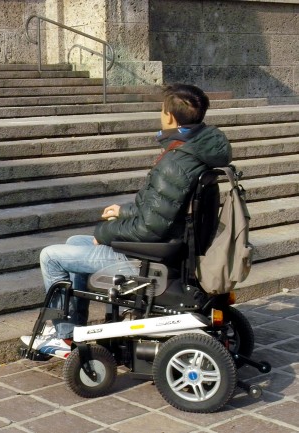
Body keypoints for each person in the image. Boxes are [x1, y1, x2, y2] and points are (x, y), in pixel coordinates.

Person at [22, 83, 233, 355]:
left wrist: (105, 233)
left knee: (50, 256)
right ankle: (73, 328)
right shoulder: (196, 150)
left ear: (169, 116)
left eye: (162, 110)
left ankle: (64, 336)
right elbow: (164, 208)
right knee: (74, 241)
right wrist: (122, 212)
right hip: (168, 246)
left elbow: (150, 228)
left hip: (148, 259)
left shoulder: (176, 162)